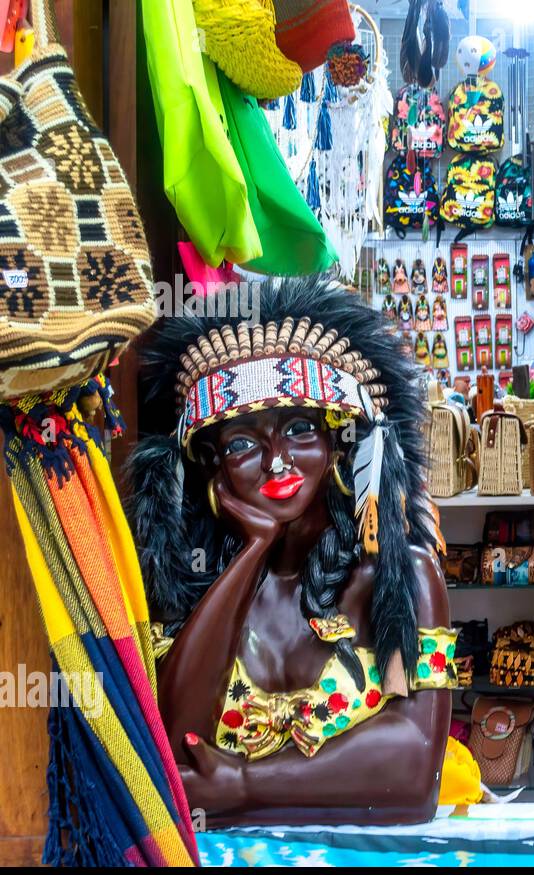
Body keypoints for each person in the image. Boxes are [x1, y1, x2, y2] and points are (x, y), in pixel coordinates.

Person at [127, 276, 454, 827]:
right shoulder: (190, 588)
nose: (276, 460)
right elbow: (175, 754)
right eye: (242, 443)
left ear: (337, 443)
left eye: (299, 428)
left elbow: (415, 769)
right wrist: (253, 551)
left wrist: (246, 783)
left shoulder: (401, 580)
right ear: (212, 466)